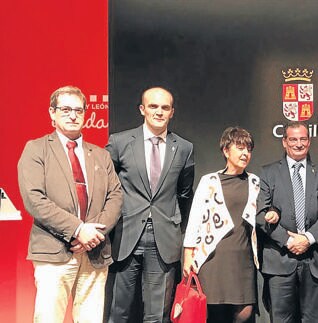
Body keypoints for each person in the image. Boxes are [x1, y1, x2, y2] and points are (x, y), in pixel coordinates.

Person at [17, 85, 123, 322]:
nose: (73, 115)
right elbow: (34, 199)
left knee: (91, 317)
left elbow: (115, 196)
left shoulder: (100, 155)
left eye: (78, 110)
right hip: (54, 250)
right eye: (65, 110)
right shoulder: (36, 149)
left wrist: (92, 234)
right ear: (52, 113)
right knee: (48, 317)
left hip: (95, 252)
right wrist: (78, 230)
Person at [106, 87, 195, 322]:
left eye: (165, 107)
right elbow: (107, 188)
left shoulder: (184, 148)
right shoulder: (119, 142)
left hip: (164, 241)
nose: (159, 112)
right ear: (142, 109)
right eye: (153, 106)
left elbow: (185, 194)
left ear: (172, 112)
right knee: (119, 311)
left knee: (157, 315)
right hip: (125, 237)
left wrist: (176, 226)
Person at [256, 121, 318, 323]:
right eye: (293, 139)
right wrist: (289, 240)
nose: (298, 144)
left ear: (309, 142)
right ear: (284, 142)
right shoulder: (268, 173)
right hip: (280, 259)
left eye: (303, 139)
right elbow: (260, 214)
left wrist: (308, 238)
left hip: (315, 260)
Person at [182, 127, 259, 323]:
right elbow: (195, 219)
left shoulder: (255, 182)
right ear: (226, 151)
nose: (245, 154)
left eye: (248, 149)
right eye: (240, 148)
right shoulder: (210, 181)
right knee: (215, 314)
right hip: (213, 258)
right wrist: (188, 255)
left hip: (243, 259)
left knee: (244, 314)